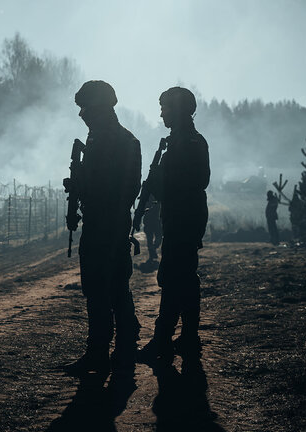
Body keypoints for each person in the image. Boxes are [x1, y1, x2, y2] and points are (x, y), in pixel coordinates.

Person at [65, 80, 142, 385]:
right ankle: (105, 352)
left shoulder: (121, 141)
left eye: (87, 108)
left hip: (108, 224)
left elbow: (125, 189)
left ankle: (116, 351)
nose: (82, 114)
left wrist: (84, 187)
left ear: (101, 109)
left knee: (110, 289)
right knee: (99, 289)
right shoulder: (100, 140)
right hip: (99, 223)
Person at [138, 87, 210, 371]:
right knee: (185, 278)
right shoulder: (179, 141)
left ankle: (163, 340)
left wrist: (158, 185)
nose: (161, 113)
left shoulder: (188, 142)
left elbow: (195, 182)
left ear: (177, 110)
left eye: (165, 108)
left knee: (171, 277)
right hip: (181, 217)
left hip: (184, 218)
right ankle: (189, 337)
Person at [143, 197, 162, 262]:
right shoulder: (158, 199)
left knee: (150, 239)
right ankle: (152, 251)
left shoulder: (146, 199)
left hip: (151, 222)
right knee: (157, 238)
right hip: (156, 222)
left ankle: (152, 251)